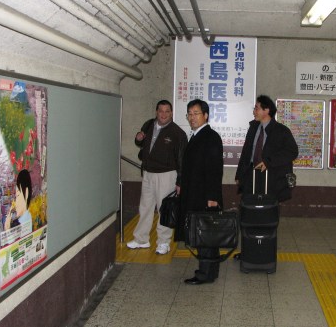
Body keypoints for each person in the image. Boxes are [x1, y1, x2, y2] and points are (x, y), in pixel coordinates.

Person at [127, 100, 187, 255]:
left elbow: (182, 159)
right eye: (161, 111)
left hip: (166, 175)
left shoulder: (177, 133)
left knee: (164, 209)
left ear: (171, 113)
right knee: (145, 207)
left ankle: (163, 242)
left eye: (167, 111)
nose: (164, 114)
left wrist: (180, 181)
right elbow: (140, 143)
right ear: (156, 111)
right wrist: (138, 138)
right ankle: (141, 239)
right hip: (148, 172)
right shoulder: (148, 124)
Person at [175, 99, 224, 285]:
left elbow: (214, 170)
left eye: (196, 113)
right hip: (195, 194)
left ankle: (205, 274)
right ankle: (211, 271)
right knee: (206, 235)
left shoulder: (210, 137)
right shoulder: (196, 136)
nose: (192, 117)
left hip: (204, 197)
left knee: (205, 235)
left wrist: (212, 198)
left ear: (206, 115)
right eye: (189, 113)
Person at [235, 94, 298, 201]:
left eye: (256, 108)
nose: (254, 111)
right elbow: (246, 152)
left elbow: (292, 151)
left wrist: (268, 162)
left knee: (269, 208)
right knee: (249, 206)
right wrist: (239, 174)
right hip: (251, 175)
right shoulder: (253, 128)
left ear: (266, 110)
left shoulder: (281, 131)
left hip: (272, 176)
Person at [4, 169, 33, 237]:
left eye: (17, 196)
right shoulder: (24, 217)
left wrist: (7, 229)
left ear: (26, 193)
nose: (15, 202)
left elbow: (12, 245)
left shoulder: (23, 222)